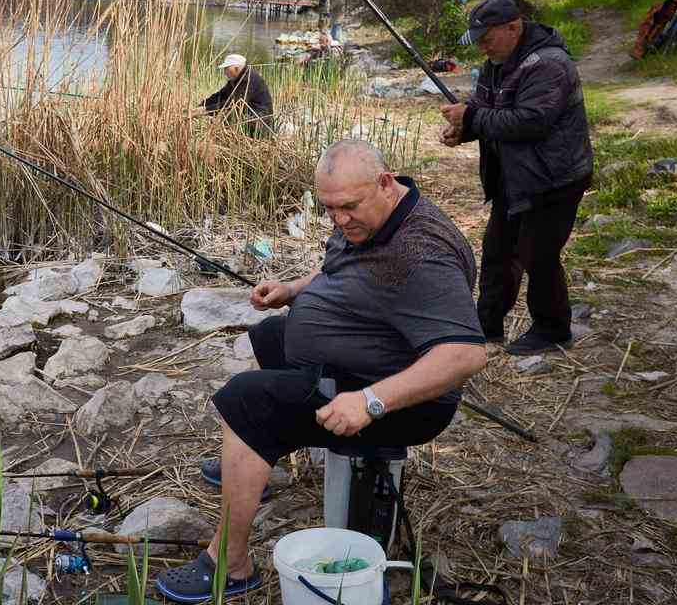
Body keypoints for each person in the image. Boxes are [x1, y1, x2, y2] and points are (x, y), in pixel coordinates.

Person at [154, 140, 489, 604]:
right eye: (330, 209)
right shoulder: (370, 221)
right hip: (362, 360)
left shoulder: (421, 254)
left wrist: (370, 401)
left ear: (385, 184)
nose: (340, 219)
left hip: (404, 401)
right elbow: (340, 269)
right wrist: (292, 289)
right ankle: (255, 459)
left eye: (349, 208)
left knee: (245, 400)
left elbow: (465, 355)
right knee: (271, 334)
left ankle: (231, 565)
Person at [439, 0, 593, 355]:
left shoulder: (550, 64)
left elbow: (531, 121)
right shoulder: (497, 61)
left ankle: (553, 330)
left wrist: (472, 118)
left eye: (486, 37)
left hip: (554, 178)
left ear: (513, 27)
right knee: (497, 250)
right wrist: (466, 129)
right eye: (476, 39)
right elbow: (487, 110)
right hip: (514, 175)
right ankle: (486, 327)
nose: (481, 46)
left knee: (537, 254)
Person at [194, 54, 275, 137]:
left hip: (259, 123)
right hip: (247, 117)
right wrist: (202, 104)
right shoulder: (236, 78)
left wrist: (206, 110)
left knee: (223, 121)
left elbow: (234, 103)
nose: (225, 72)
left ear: (236, 68)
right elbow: (221, 95)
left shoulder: (248, 79)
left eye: (226, 69)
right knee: (221, 120)